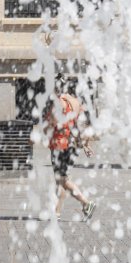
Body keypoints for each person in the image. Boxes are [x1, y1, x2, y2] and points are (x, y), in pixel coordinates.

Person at [44, 76, 96, 222]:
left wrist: (41, 131)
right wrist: (85, 144)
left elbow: (52, 125)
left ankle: (86, 203)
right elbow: (80, 125)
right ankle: (56, 212)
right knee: (60, 180)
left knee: (63, 180)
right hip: (71, 146)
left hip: (60, 146)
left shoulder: (57, 104)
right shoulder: (74, 102)